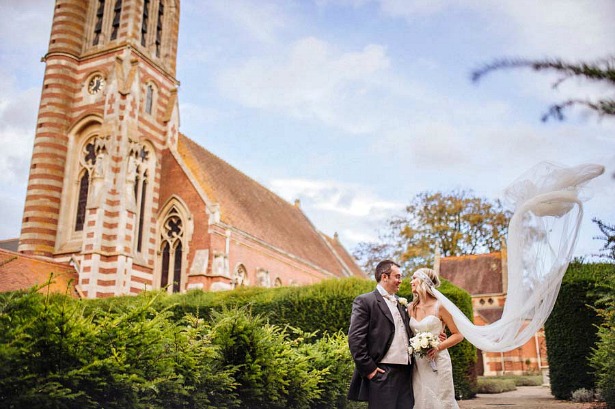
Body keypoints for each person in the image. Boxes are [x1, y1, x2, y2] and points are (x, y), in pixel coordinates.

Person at [347, 260, 414, 409]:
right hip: (383, 372)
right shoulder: (365, 301)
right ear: (385, 277)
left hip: (406, 372)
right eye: (397, 276)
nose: (400, 281)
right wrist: (369, 369)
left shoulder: (400, 303)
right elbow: (355, 338)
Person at [409, 267, 463, 409]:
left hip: (438, 361)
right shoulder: (410, 308)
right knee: (421, 399)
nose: (411, 282)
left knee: (442, 400)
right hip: (418, 363)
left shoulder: (440, 307)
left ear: (423, 281)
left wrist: (438, 346)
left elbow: (458, 335)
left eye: (414, 278)